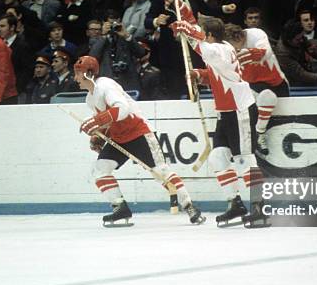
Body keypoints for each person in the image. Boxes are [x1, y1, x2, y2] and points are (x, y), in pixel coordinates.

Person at [73, 55, 204, 226]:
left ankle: (189, 206)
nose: (75, 78)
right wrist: (98, 136)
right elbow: (108, 121)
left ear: (89, 74)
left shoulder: (106, 85)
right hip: (119, 138)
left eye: (78, 73)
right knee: (100, 169)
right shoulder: (90, 98)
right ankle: (120, 208)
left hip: (139, 133)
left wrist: (96, 122)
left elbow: (123, 109)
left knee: (160, 172)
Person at [170, 13, 266, 227]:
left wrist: (186, 28)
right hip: (226, 111)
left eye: (205, 33)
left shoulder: (217, 49)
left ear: (210, 34)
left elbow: (200, 43)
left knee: (244, 160)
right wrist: (199, 75)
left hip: (239, 110)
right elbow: (215, 71)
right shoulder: (219, 50)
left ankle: (260, 208)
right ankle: (235, 203)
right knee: (217, 158)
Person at [224, 24, 289, 156]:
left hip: (277, 82)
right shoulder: (227, 47)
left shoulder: (256, 34)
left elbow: (267, 51)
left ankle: (260, 133)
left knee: (283, 118)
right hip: (252, 85)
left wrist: (245, 54)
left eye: (233, 45)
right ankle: (258, 136)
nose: (233, 49)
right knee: (266, 97)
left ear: (238, 37)